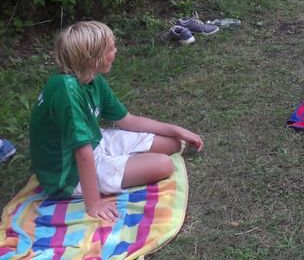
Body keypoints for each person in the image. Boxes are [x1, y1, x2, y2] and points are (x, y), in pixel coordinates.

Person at [29, 21, 203, 222]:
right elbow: (82, 152)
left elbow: (127, 120)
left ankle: (123, 162)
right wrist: (94, 203)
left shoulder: (91, 79)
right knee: (164, 164)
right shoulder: (66, 90)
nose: (116, 51)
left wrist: (176, 130)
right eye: (111, 49)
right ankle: (118, 167)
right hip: (68, 173)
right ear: (93, 59)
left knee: (172, 143)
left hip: (94, 142)